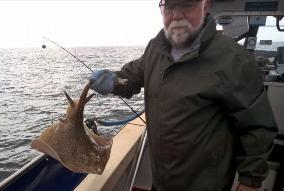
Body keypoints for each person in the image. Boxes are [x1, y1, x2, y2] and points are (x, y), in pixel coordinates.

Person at [89, 0, 278, 190]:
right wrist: (114, 81)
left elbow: (256, 127)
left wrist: (249, 182)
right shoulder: (156, 48)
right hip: (161, 181)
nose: (176, 15)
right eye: (170, 7)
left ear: (206, 6)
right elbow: (132, 77)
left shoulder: (233, 59)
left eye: (186, 5)